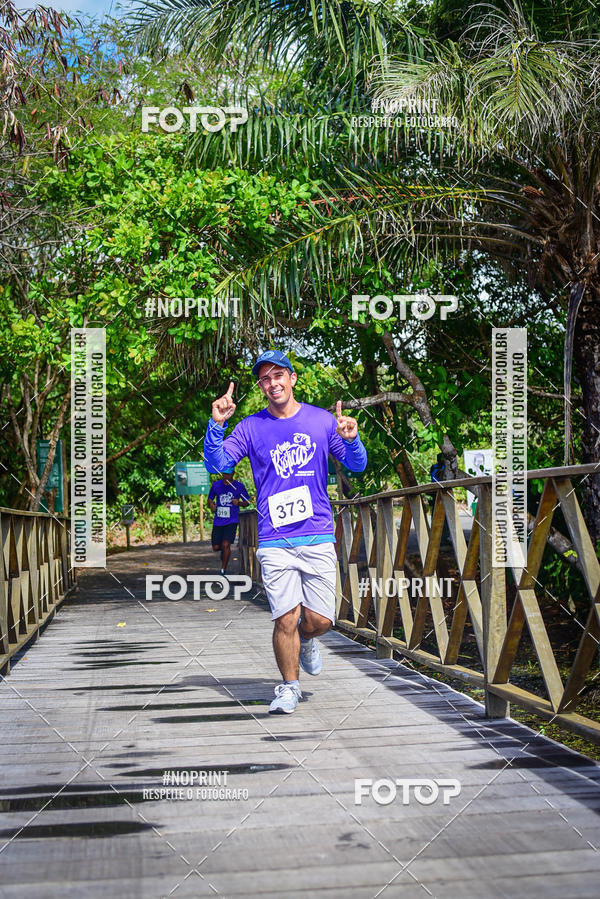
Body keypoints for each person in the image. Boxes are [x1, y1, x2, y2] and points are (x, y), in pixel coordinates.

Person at [204, 349, 367, 714]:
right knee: (286, 618)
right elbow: (218, 462)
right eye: (264, 379)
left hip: (317, 534)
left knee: (320, 621)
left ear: (292, 378)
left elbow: (357, 465)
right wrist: (216, 425)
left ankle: (307, 640)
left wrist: (351, 439)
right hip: (274, 538)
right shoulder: (251, 427)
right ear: (261, 387)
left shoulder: (322, 420)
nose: (272, 383)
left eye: (278, 375)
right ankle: (289, 687)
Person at [207, 468, 251, 574]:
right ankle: (224, 551)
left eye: (229, 474)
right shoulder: (216, 485)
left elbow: (247, 502)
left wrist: (239, 503)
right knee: (216, 547)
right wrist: (211, 505)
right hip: (218, 520)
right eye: (224, 474)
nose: (226, 476)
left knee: (226, 544)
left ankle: (223, 569)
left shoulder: (239, 486)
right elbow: (210, 498)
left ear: (233, 473)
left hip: (232, 520)